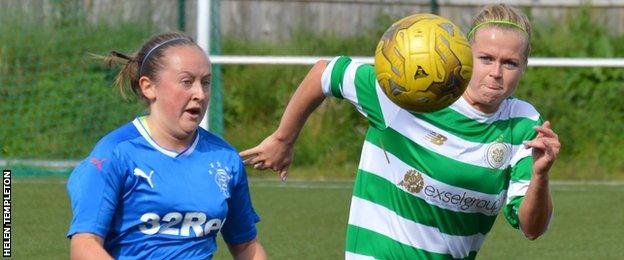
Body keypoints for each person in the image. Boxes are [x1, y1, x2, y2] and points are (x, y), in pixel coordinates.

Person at [240, 4, 560, 259]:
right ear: (466, 55)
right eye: (486, 59)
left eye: (510, 63)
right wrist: (283, 139)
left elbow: (532, 228)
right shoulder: (410, 94)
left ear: (525, 66)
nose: (495, 72)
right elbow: (327, 72)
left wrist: (541, 175)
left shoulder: (522, 123)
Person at [66, 32, 266, 259]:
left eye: (206, 82)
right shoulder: (115, 153)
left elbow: (246, 246)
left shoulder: (224, 157)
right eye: (186, 82)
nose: (200, 94)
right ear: (148, 87)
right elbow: (84, 246)